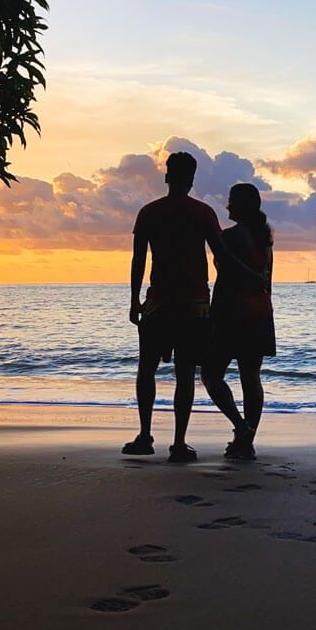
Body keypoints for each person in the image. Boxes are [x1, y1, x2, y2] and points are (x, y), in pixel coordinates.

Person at [124, 152, 263, 463]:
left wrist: (134, 299)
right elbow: (222, 256)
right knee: (185, 373)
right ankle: (178, 442)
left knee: (146, 369)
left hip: (158, 303)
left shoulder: (149, 212)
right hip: (194, 305)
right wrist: (253, 274)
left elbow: (138, 260)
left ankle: (145, 435)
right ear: (191, 179)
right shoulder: (202, 212)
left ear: (167, 176)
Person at [202, 183, 275, 461]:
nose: (227, 205)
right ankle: (247, 440)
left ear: (242, 206)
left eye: (231, 201)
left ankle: (241, 427)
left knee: (210, 375)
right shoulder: (265, 239)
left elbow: (226, 269)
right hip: (260, 312)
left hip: (230, 312)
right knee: (251, 376)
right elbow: (268, 282)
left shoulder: (230, 237)